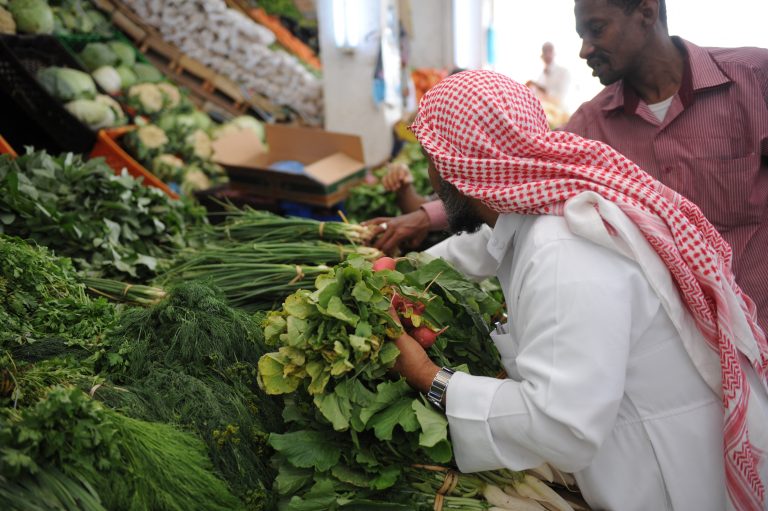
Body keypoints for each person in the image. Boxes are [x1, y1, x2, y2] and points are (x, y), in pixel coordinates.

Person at [390, 70, 768, 511]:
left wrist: (428, 377)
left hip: (668, 478)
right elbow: (478, 249)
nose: (433, 180)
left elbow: (561, 426)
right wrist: (394, 272)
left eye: (432, 161)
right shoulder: (537, 214)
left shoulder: (563, 252)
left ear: (455, 163)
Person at [370, 0, 768, 334]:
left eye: (596, 29)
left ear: (646, 13)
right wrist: (425, 217)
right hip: (671, 331)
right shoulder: (591, 124)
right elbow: (511, 175)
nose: (584, 49)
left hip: (757, 319)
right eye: (581, 34)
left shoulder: (753, 79)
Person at [529, 41, 571, 106]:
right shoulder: (541, 75)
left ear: (554, 53)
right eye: (545, 51)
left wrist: (539, 87)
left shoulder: (564, 72)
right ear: (541, 55)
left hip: (557, 112)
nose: (547, 54)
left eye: (550, 51)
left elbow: (559, 97)